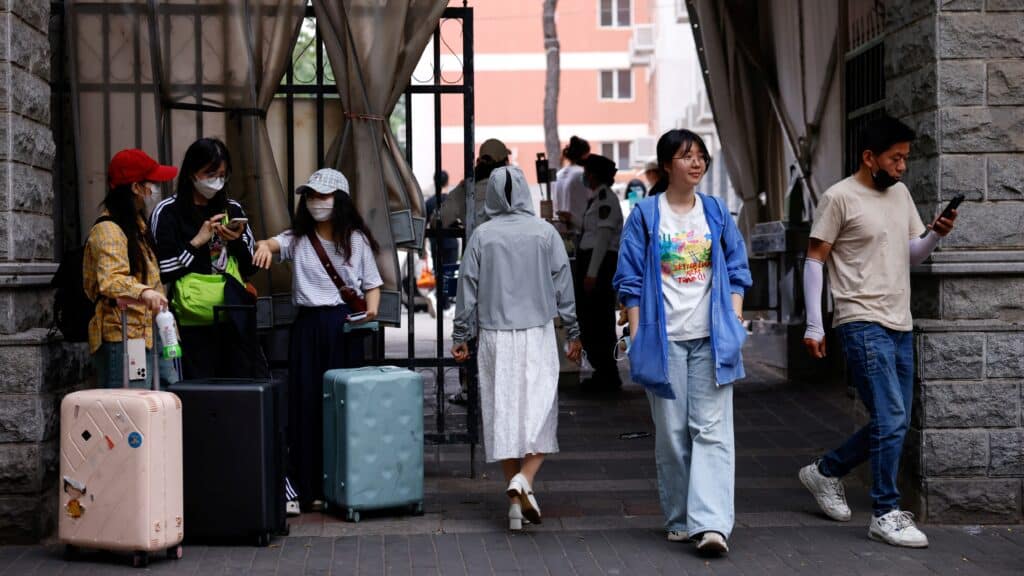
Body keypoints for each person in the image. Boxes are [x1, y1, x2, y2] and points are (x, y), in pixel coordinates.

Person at [798, 116, 957, 549]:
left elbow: (910, 254)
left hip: (899, 322)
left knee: (895, 421)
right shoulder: (838, 198)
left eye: (905, 158)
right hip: (860, 319)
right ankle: (885, 512)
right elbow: (814, 260)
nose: (902, 166)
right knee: (890, 419)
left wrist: (935, 235)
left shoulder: (900, 194)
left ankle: (826, 471)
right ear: (869, 157)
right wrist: (815, 324)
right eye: (895, 158)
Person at [614, 129, 752, 555]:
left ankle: (711, 525)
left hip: (712, 339)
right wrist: (638, 334)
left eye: (701, 156)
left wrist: (734, 315)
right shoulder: (646, 215)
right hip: (664, 340)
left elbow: (737, 265)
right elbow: (629, 279)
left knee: (712, 432)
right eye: (686, 156)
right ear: (666, 164)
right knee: (673, 435)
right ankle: (679, 517)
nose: (696, 163)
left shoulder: (715, 211)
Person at [451, 165, 582, 531]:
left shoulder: (482, 236)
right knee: (541, 411)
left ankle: (515, 502)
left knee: (502, 414)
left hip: (495, 336)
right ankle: (525, 479)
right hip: (537, 333)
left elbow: (467, 287)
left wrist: (461, 335)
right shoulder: (545, 233)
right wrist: (573, 331)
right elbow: (564, 284)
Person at [254, 168, 383, 516]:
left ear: (339, 200)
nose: (315, 202)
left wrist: (370, 312)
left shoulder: (355, 240)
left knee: (345, 406)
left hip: (344, 326)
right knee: (306, 404)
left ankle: (345, 486)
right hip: (308, 327)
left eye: (323, 196)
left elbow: (372, 283)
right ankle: (308, 488)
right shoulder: (298, 238)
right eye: (311, 196)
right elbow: (272, 244)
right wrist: (263, 246)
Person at [150, 138, 257, 379]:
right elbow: (161, 270)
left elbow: (251, 266)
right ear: (191, 173)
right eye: (210, 174)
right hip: (188, 323)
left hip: (232, 318)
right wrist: (196, 242)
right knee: (195, 389)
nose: (216, 181)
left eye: (222, 175)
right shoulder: (167, 212)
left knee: (238, 388)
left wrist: (235, 241)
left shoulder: (232, 209)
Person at [84, 148, 181, 389]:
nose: (155, 190)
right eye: (152, 184)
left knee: (166, 396)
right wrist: (144, 292)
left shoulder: (137, 225)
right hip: (125, 335)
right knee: (130, 404)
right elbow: (111, 280)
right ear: (136, 188)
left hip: (151, 330)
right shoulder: (108, 230)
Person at [439, 139, 511, 405]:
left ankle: (469, 388)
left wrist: (462, 224)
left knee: (469, 327)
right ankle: (502, 388)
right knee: (503, 328)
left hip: (475, 265)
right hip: (506, 269)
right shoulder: (511, 188)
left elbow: (440, 218)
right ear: (504, 162)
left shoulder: (465, 189)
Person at [576, 154, 625, 390]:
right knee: (591, 319)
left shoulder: (606, 199)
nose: (585, 176)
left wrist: (592, 273)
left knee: (599, 320)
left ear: (594, 175)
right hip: (594, 262)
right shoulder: (597, 199)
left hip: (600, 264)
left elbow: (603, 239)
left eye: (587, 172)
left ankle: (608, 373)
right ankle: (602, 371)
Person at [554, 136, 592, 237]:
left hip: (561, 233)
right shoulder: (582, 174)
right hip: (581, 233)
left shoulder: (559, 175)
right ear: (585, 155)